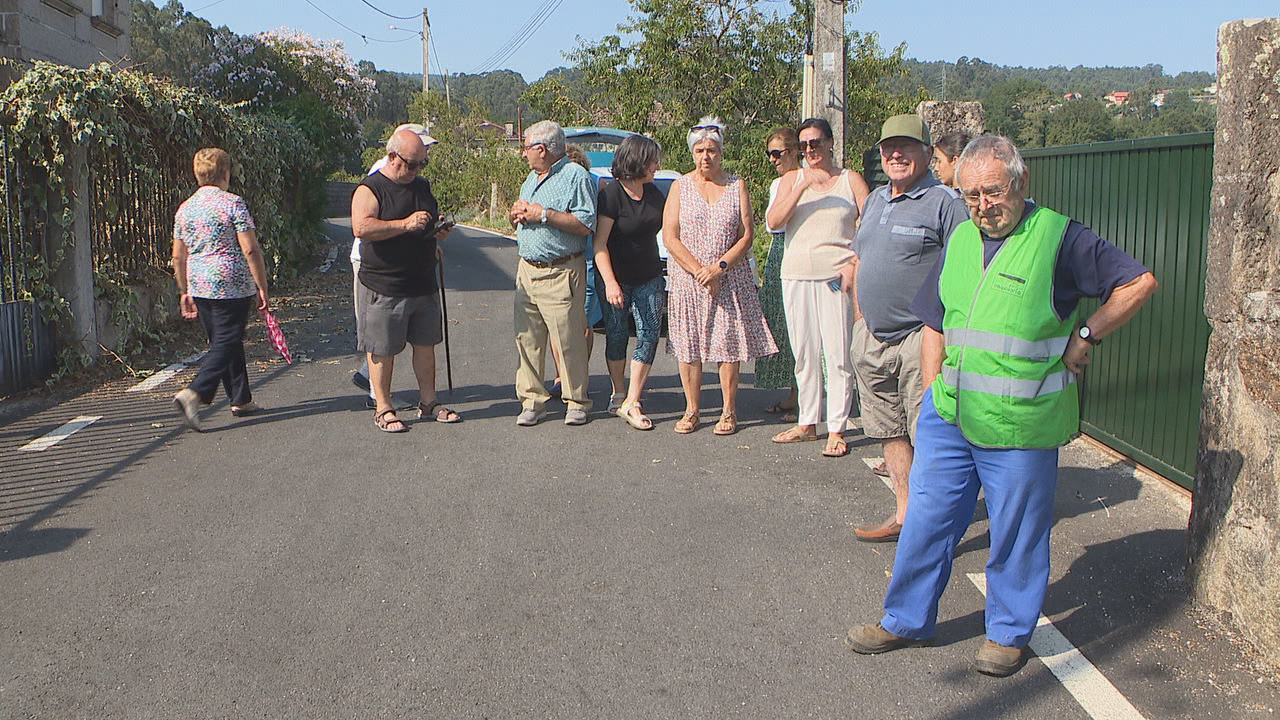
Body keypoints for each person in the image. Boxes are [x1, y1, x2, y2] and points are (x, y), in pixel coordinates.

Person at [845, 135, 1158, 677]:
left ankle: (1009, 634)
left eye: (993, 193)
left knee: (1016, 532)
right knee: (926, 519)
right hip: (951, 415)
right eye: (971, 196)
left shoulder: (1059, 239)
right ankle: (905, 619)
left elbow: (1138, 282)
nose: (983, 206)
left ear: (1021, 183)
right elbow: (936, 318)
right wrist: (935, 387)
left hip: (1021, 423)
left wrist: (1086, 333)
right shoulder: (962, 239)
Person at [849, 114, 969, 543]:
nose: (895, 154)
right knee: (890, 431)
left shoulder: (944, 203)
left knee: (931, 441)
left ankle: (934, 532)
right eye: (888, 148)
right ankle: (904, 514)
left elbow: (966, 270)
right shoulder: (878, 199)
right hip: (873, 339)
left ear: (925, 151)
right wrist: (862, 319)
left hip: (921, 339)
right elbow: (860, 259)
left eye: (906, 146)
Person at [663, 116, 777, 436]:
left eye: (711, 150)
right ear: (692, 153)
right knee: (689, 346)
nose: (705, 156)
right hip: (689, 280)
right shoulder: (680, 187)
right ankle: (692, 410)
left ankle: (728, 411)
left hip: (728, 279)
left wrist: (719, 268)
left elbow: (746, 234)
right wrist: (699, 271)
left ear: (721, 152)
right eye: (699, 150)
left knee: (727, 345)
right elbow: (670, 236)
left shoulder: (736, 184)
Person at [766, 118, 871, 458]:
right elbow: (774, 222)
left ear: (830, 143)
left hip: (835, 277)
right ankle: (807, 422)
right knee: (804, 353)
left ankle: (837, 427)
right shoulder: (791, 179)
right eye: (804, 145)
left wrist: (855, 262)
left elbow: (871, 225)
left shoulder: (849, 179)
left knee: (838, 354)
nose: (810, 150)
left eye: (815, 143)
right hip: (796, 274)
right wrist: (800, 186)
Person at [351, 128, 458, 432]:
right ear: (393, 157)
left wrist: (438, 231)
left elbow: (427, 222)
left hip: (423, 280)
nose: (416, 170)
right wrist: (404, 224)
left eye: (421, 164)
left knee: (426, 344)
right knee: (382, 348)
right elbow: (362, 227)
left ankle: (429, 402)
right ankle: (384, 407)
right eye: (411, 164)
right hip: (385, 284)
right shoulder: (371, 189)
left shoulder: (421, 186)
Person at [171, 148, 270, 431]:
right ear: (226, 174)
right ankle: (195, 392)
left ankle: (240, 399)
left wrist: (183, 289)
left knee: (225, 341)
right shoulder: (233, 204)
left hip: (199, 282)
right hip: (232, 283)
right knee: (229, 339)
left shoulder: (185, 209)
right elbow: (250, 248)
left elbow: (178, 255)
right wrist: (261, 285)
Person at [508, 120, 598, 427]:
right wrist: (516, 215)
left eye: (527, 148)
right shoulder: (530, 180)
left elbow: (586, 224)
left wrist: (543, 215)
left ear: (542, 150)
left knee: (568, 339)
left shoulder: (576, 176)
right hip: (527, 271)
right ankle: (532, 400)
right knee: (528, 340)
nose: (524, 154)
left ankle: (577, 401)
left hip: (561, 271)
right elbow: (525, 219)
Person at [592, 134, 667, 430]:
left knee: (649, 332)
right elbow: (599, 244)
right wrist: (610, 283)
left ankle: (633, 400)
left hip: (649, 275)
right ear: (637, 161)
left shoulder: (655, 194)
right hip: (615, 277)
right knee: (618, 334)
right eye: (652, 160)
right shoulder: (611, 195)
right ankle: (618, 391)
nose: (656, 166)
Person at [755, 128, 801, 424]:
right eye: (769, 154)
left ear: (795, 151)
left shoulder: (809, 180)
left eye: (777, 153)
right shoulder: (777, 184)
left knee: (802, 326)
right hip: (778, 251)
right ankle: (793, 394)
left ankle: (805, 399)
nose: (773, 159)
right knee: (780, 324)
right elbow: (773, 225)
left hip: (800, 248)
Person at [547, 145, 599, 401]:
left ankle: (577, 375)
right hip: (561, 263)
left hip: (587, 262)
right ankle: (562, 376)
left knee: (582, 324)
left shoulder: (593, 185)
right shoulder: (553, 185)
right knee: (560, 324)